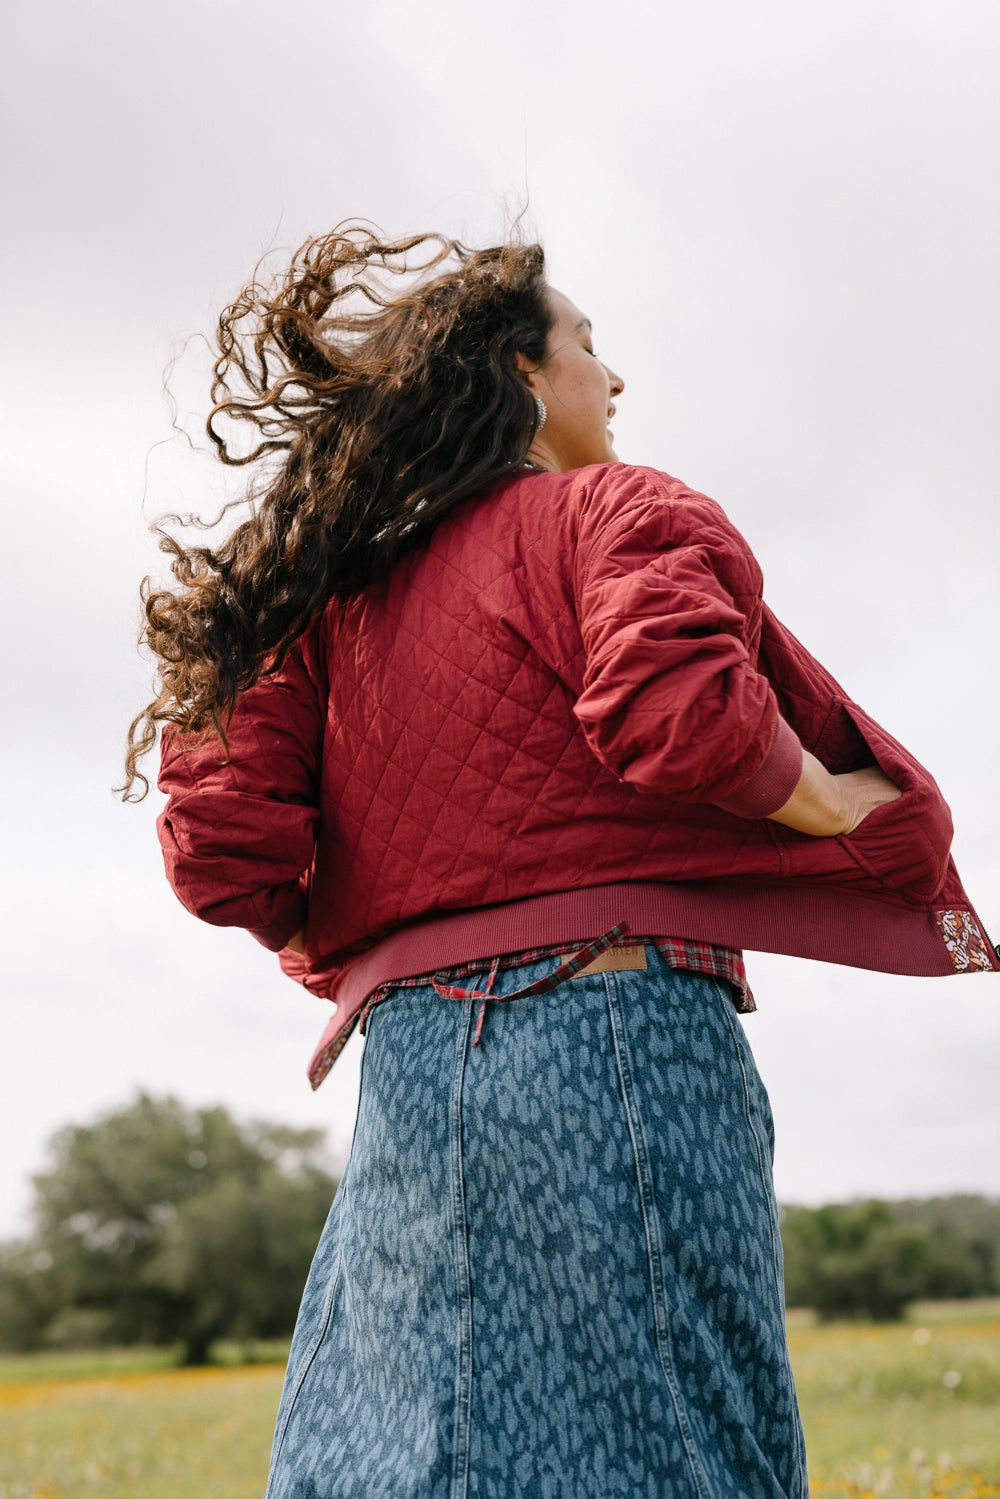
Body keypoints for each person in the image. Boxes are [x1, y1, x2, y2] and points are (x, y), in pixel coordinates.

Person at [125, 228, 997, 1499]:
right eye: (588, 342)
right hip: (616, 1029)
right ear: (521, 375)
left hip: (410, 1068)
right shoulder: (616, 508)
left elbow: (225, 856)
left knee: (400, 1465)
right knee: (679, 1455)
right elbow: (685, 708)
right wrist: (825, 797)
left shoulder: (323, 601)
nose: (616, 377)